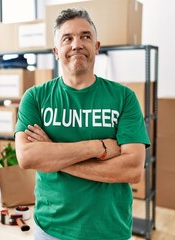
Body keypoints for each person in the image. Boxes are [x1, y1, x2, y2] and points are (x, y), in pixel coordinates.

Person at [14, 8, 150, 240]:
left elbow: (133, 169)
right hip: (51, 229)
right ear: (57, 51)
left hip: (110, 230)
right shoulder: (35, 97)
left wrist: (54, 157)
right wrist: (99, 147)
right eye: (67, 38)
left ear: (96, 47)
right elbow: (27, 157)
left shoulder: (123, 97)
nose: (77, 44)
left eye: (85, 36)